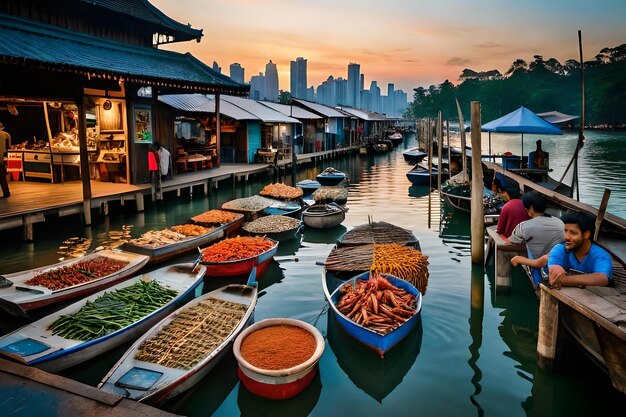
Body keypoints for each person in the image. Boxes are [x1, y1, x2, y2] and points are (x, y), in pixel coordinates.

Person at [508, 190, 565, 285]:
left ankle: (537, 283)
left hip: (543, 268)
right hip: (560, 265)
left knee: (529, 246)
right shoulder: (560, 223)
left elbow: (511, 241)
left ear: (529, 209)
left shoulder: (523, 227)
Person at [547, 212, 612, 289]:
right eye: (565, 231)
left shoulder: (600, 255)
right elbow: (553, 270)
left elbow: (602, 279)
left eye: (573, 233)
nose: (566, 237)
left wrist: (563, 280)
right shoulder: (560, 249)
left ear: (586, 234)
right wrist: (555, 270)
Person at [0, 122, 11, 198]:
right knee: (2, 176)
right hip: (1, 157)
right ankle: (6, 192)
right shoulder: (6, 134)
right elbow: (9, 147)